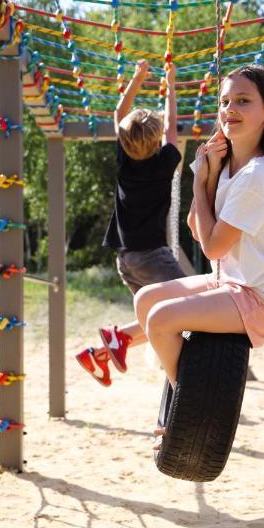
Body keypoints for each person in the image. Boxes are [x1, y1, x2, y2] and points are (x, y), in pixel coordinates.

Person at [131, 64, 264, 444]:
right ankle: (188, 392)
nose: (229, 108)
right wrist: (211, 175)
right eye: (225, 101)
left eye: (243, 101)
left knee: (161, 319)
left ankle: (188, 406)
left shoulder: (258, 175)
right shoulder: (234, 166)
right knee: (145, 298)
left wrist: (200, 180)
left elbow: (213, 245)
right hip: (231, 283)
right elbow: (194, 225)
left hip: (260, 297)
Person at [76, 58, 186, 387]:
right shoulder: (165, 163)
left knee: (158, 322)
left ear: (124, 142)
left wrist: (139, 78)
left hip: (126, 259)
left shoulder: (125, 161)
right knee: (189, 309)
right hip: (152, 256)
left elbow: (120, 114)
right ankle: (115, 336)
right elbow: (171, 127)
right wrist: (171, 85)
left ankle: (99, 352)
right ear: (156, 145)